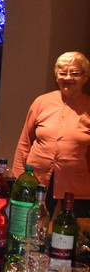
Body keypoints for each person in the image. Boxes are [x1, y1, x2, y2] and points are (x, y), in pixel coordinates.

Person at [12, 51, 90, 216]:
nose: (67, 77)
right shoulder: (41, 102)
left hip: (76, 184)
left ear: (85, 77)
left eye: (75, 73)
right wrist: (17, 177)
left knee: (71, 227)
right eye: (62, 73)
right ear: (56, 76)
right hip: (37, 180)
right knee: (31, 223)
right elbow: (25, 143)